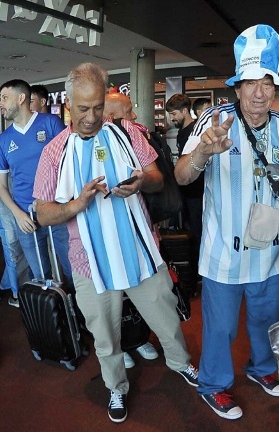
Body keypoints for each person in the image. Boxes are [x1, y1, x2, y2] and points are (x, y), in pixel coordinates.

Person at [33, 62, 199, 424]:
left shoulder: (125, 134)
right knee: (105, 336)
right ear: (68, 107)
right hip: (88, 263)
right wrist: (76, 204)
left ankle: (182, 363)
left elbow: (157, 177)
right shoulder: (54, 152)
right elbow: (42, 212)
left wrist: (141, 183)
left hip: (139, 250)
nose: (91, 117)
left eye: (97, 107)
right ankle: (115, 387)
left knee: (166, 317)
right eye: (82, 108)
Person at [175, 24, 279, 420]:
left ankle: (261, 367)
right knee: (221, 329)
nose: (259, 91)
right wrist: (203, 152)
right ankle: (213, 384)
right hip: (222, 255)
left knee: (267, 321)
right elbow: (182, 175)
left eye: (267, 81)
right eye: (251, 81)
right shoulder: (214, 121)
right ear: (237, 87)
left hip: (270, 250)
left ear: (276, 86)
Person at [0, 79, 73, 297]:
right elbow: (1, 186)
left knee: (72, 268)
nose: (0, 103)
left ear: (21, 98)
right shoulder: (3, 141)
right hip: (26, 218)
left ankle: (81, 316)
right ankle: (56, 321)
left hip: (58, 210)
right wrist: (17, 214)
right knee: (41, 278)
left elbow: (69, 165)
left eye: (4, 97)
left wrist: (62, 201)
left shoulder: (50, 124)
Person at [103, 91, 162, 368]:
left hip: (138, 227)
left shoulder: (134, 134)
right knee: (112, 296)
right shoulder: (75, 142)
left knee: (144, 285)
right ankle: (120, 345)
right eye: (129, 111)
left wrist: (141, 182)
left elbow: (157, 178)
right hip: (103, 236)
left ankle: (139, 337)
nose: (135, 115)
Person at [0, 173, 29, 307]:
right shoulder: (12, 179)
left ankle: (16, 294)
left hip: (6, 228)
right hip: (13, 226)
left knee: (12, 259)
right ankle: (16, 293)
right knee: (15, 258)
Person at [167, 94, 204, 242]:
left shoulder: (194, 131)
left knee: (198, 233)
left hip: (197, 191)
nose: (172, 118)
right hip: (188, 190)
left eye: (174, 114)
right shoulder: (182, 132)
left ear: (185, 111)